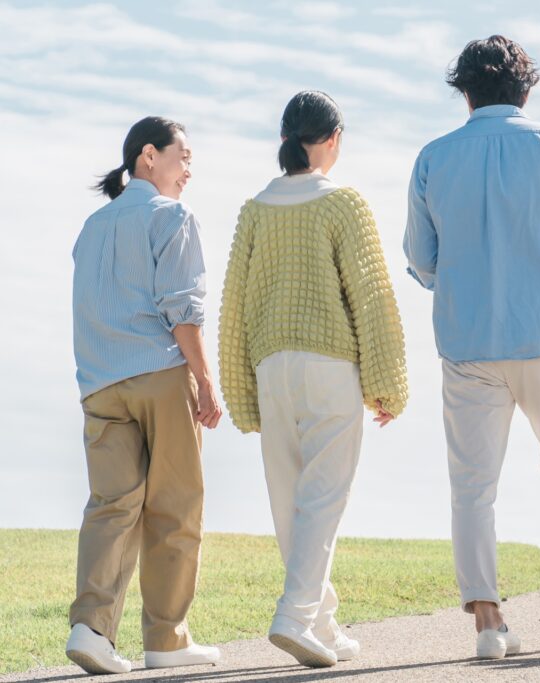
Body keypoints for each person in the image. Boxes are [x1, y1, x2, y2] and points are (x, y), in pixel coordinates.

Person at [404, 35, 540, 659]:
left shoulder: (432, 158)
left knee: (472, 487)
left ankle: (488, 627)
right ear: (527, 89)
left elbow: (421, 259)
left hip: (468, 344)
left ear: (464, 93)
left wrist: (465, 281)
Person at [219, 90, 409, 668]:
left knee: (290, 503)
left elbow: (234, 306)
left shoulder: (254, 209)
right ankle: (296, 615)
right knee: (322, 501)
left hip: (271, 368)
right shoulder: (343, 203)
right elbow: (372, 297)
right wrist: (390, 382)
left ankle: (321, 625)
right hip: (329, 367)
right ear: (331, 139)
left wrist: (239, 391)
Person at [67, 116, 222, 675]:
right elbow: (184, 310)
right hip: (159, 373)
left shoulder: (91, 226)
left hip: (100, 383)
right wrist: (205, 381)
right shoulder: (172, 216)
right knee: (175, 507)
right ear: (148, 157)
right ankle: (166, 639)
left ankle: (91, 629)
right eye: (184, 157)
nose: (189, 170)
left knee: (111, 507)